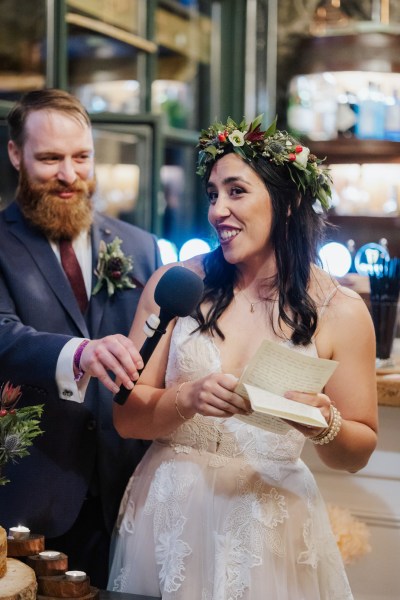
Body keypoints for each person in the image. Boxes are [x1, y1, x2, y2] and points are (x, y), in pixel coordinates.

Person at [107, 115, 378, 599]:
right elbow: (127, 419)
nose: (218, 210)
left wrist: (326, 426)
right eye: (213, 194)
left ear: (289, 202)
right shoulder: (175, 285)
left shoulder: (342, 311)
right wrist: (185, 398)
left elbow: (357, 451)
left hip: (270, 528)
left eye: (236, 191)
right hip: (169, 517)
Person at [0, 88, 162, 588]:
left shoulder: (140, 246)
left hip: (128, 493)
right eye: (50, 158)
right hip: (31, 498)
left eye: (81, 157)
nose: (69, 174)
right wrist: (81, 352)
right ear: (15, 155)